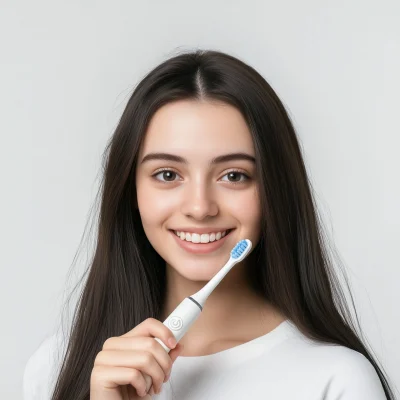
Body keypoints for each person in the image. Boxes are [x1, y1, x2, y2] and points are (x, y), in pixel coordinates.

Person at [23, 49, 396, 400]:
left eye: (234, 176)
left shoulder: (336, 380)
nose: (200, 207)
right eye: (168, 174)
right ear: (129, 189)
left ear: (275, 191)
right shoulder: (58, 366)